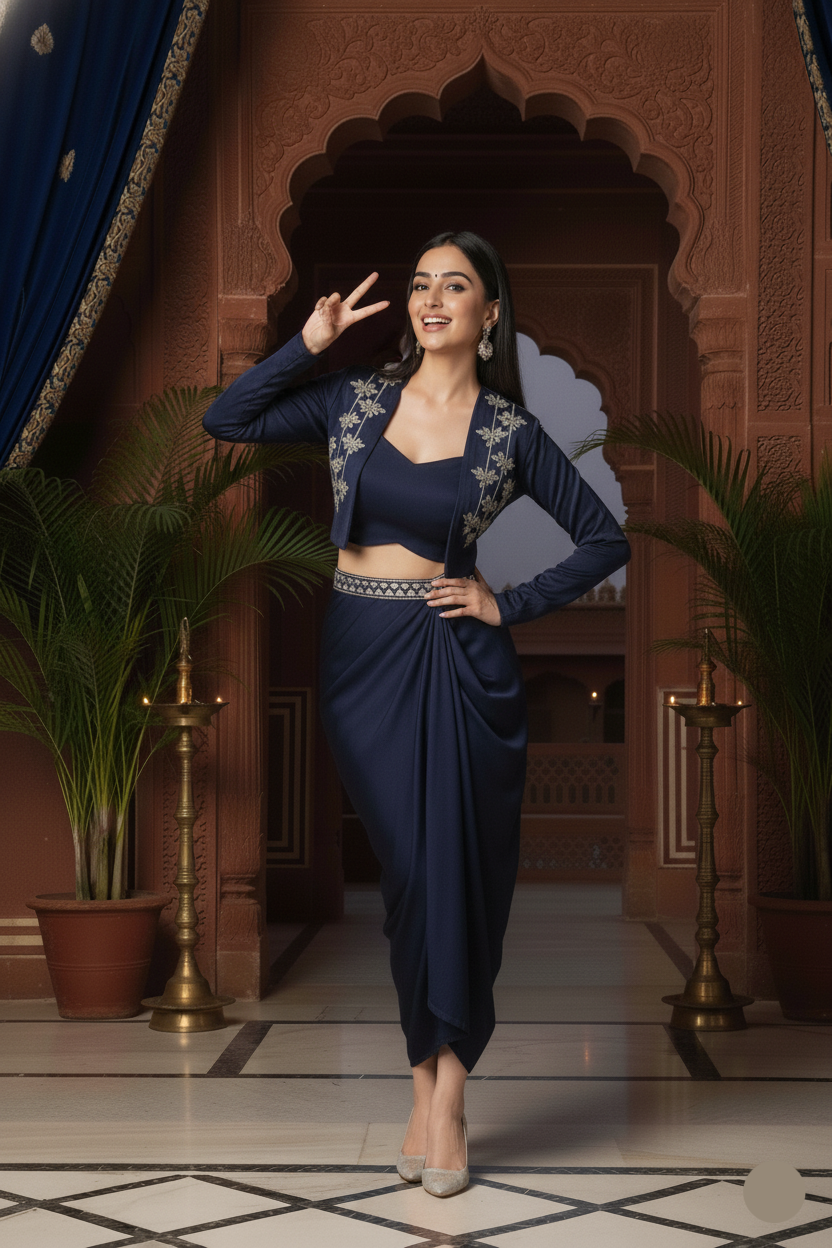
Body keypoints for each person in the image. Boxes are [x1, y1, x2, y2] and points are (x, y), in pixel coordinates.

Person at [203, 230, 630, 1196]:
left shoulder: (510, 433)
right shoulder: (355, 402)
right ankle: (426, 1075)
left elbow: (605, 538)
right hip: (360, 660)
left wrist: (505, 602)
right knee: (406, 872)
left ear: (488, 316)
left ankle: (441, 1098)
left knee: (453, 871)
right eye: (422, 284)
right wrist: (305, 346)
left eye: (457, 286)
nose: (433, 298)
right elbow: (223, 420)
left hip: (456, 658)